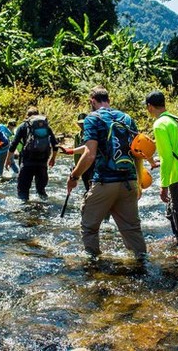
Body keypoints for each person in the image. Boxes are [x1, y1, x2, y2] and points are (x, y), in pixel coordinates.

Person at [66, 86, 147, 260]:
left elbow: (90, 154)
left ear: (92, 101)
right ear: (108, 100)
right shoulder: (127, 118)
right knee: (132, 229)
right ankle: (142, 264)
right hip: (129, 181)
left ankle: (94, 265)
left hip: (104, 182)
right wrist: (138, 182)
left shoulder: (92, 119)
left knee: (89, 227)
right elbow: (137, 152)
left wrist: (74, 176)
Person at [146, 90, 178, 258]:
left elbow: (167, 157)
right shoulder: (175, 119)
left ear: (149, 107)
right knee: (173, 210)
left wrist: (163, 185)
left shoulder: (160, 124)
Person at [5, 107, 59, 201]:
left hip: (27, 162)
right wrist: (53, 158)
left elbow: (14, 144)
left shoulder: (23, 126)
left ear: (27, 116)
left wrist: (8, 160)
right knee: (41, 191)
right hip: (42, 163)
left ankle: (24, 213)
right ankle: (44, 211)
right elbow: (55, 144)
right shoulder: (45, 126)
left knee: (23, 192)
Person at [59, 113, 95, 191]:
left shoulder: (93, 135)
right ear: (78, 123)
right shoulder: (77, 136)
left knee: (92, 186)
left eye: (84, 123)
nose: (82, 125)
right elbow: (77, 153)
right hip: (82, 165)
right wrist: (76, 167)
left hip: (92, 165)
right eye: (80, 123)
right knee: (87, 187)